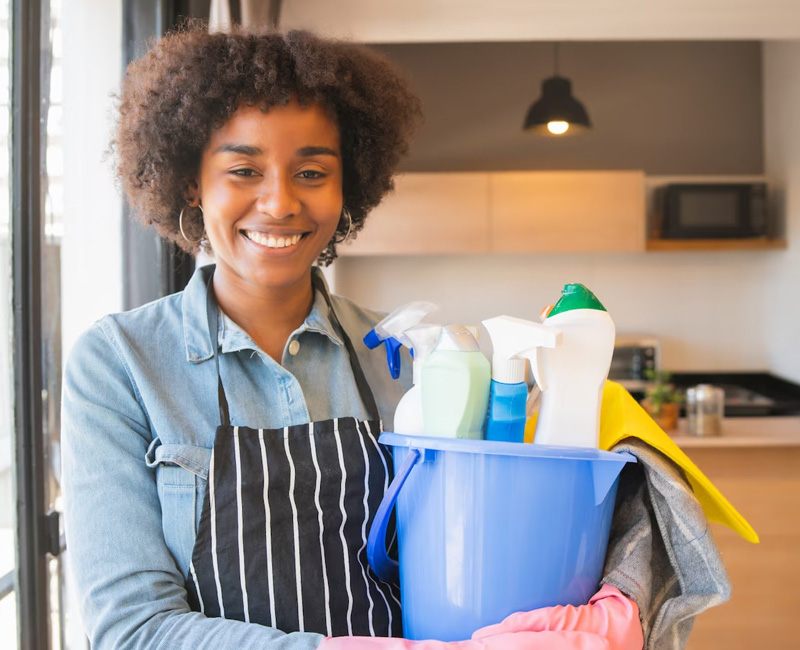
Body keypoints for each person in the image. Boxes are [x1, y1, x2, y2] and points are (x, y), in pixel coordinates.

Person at [62, 25, 643, 650]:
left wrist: (618, 591)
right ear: (190, 184)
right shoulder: (120, 363)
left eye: (312, 171)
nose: (280, 202)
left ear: (348, 188)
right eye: (242, 170)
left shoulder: (413, 357)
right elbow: (132, 629)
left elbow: (497, 537)